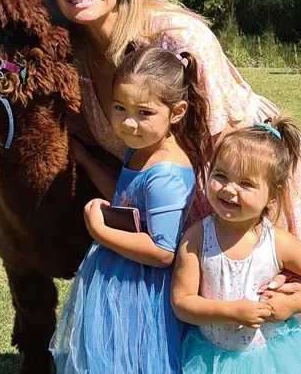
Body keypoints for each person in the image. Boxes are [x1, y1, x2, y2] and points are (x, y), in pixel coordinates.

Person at [15, 0, 301, 327]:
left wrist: (258, 251)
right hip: (167, 211)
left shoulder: (178, 38)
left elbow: (238, 148)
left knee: (251, 317)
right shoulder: (72, 54)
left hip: (239, 179)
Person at [50, 47, 212, 373]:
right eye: (120, 107)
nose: (128, 122)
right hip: (119, 274)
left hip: (142, 291)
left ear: (177, 112)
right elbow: (127, 197)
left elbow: (164, 251)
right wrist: (88, 162)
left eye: (144, 113)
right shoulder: (140, 147)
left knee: (133, 358)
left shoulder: (166, 172)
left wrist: (100, 232)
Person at [172, 116, 301, 373]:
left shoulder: (276, 241)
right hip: (211, 357)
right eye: (221, 175)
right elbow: (182, 303)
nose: (228, 189)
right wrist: (230, 312)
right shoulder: (197, 238)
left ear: (272, 195)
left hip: (269, 357)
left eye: (246, 183)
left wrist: (292, 304)